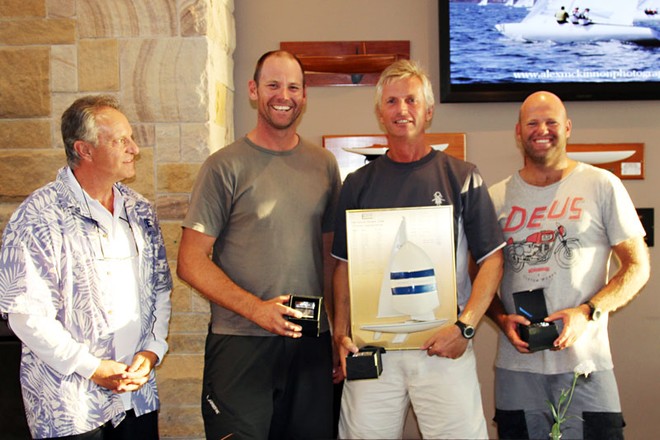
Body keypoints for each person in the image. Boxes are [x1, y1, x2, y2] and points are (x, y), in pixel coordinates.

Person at [332, 59, 505, 439]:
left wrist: (467, 326)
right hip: (373, 351)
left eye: (411, 100)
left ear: (428, 111)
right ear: (380, 113)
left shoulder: (462, 177)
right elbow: (343, 267)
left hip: (444, 346)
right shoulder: (357, 184)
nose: (402, 110)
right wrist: (340, 333)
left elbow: (492, 260)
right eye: (391, 102)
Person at [176, 50, 342, 439]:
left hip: (308, 343)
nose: (283, 95)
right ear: (253, 90)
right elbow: (190, 261)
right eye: (272, 85)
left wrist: (335, 330)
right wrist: (258, 310)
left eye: (293, 86)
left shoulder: (324, 165)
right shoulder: (223, 166)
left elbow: (330, 259)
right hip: (241, 343)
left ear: (304, 96)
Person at [0, 95, 173, 439]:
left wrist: (152, 350)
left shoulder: (139, 210)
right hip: (69, 406)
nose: (134, 149)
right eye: (120, 140)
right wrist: (92, 368)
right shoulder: (38, 217)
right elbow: (26, 316)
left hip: (135, 397)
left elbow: (160, 290)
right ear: (86, 150)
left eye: (131, 139)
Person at [487, 91, 650, 439]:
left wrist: (588, 311)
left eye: (551, 122)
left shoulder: (601, 184)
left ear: (568, 128)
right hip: (518, 369)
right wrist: (501, 318)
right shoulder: (496, 197)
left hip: (586, 364)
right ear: (518, 131)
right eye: (532, 123)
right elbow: (475, 272)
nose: (541, 130)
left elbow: (637, 265)